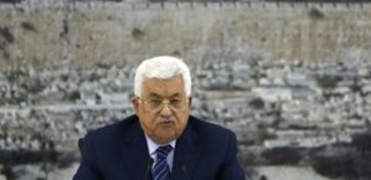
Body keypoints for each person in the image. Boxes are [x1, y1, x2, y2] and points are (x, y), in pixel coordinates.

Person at [73, 55, 246, 180]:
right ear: (137, 106)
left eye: (175, 101)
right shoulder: (101, 147)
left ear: (189, 103)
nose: (166, 112)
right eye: (155, 102)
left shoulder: (219, 144)